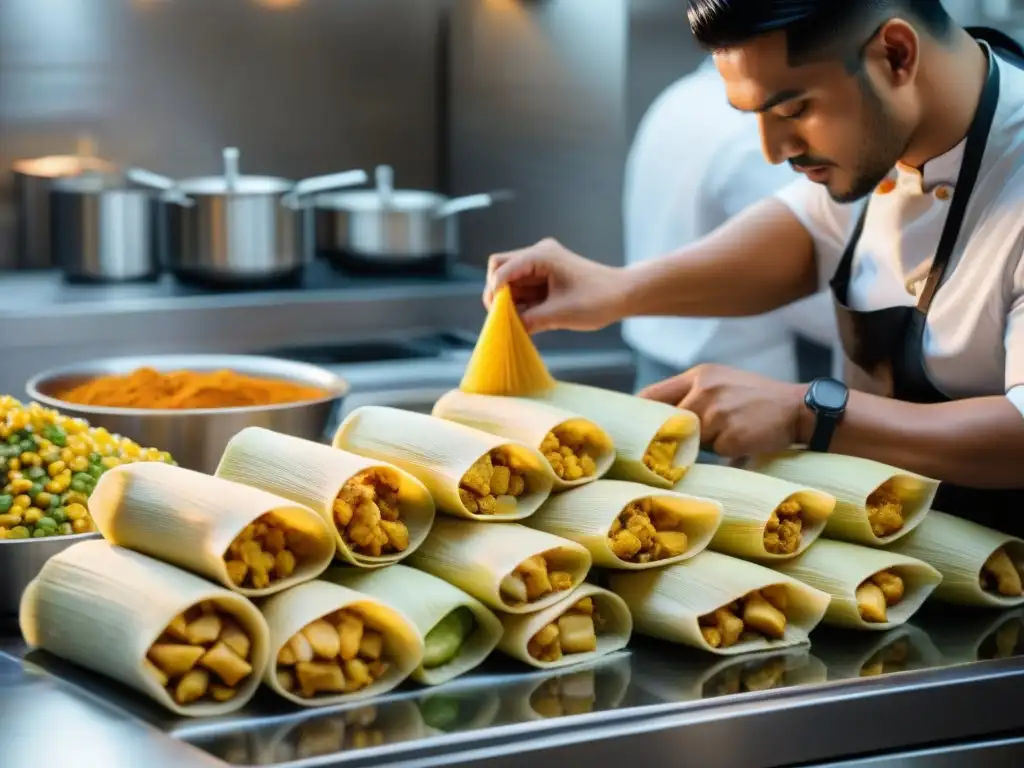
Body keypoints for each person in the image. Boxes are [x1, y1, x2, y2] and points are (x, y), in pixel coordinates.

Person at [484, 0, 1024, 534]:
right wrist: (617, 288)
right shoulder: (892, 131)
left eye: (791, 111)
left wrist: (806, 412)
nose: (771, 151)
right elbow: (806, 233)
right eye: (756, 117)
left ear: (897, 54)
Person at [624, 58, 839, 391]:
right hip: (731, 376)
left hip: (652, 351)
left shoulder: (677, 96)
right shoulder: (749, 133)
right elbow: (808, 293)